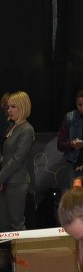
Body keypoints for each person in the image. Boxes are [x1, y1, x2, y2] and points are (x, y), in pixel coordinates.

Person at [0, 91, 35, 232]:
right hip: (7, 180)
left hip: (17, 182)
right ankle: (7, 254)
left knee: (16, 224)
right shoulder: (12, 127)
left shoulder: (27, 129)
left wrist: (0, 177)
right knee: (4, 224)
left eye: (13, 107)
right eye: (8, 107)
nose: (9, 110)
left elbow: (17, 158)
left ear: (23, 107)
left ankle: (21, 255)